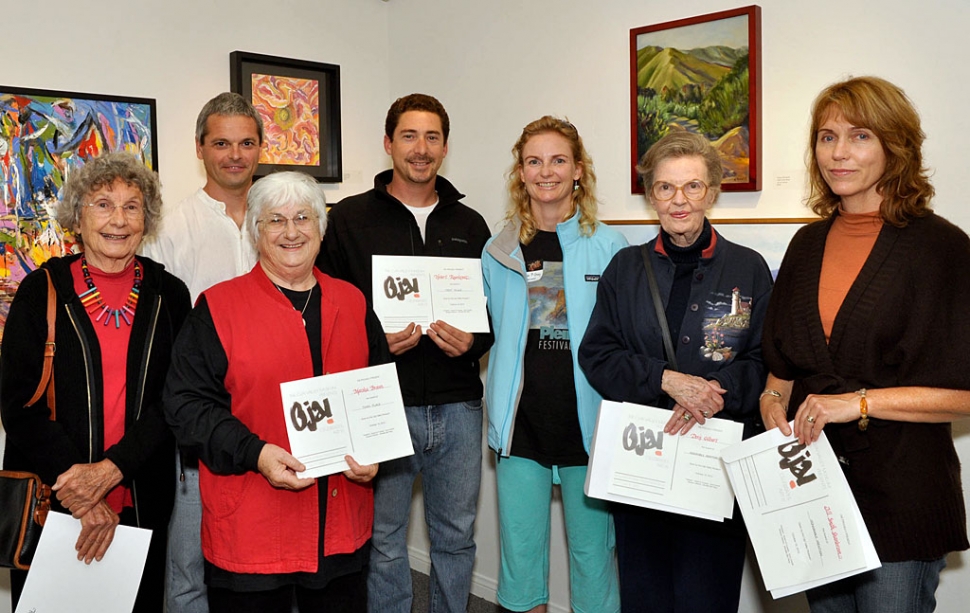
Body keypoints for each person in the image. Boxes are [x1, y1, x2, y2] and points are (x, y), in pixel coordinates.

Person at [759, 76, 970, 613]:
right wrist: (769, 401)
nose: (839, 153)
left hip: (902, 496)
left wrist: (857, 404)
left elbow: (966, 394)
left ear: (895, 146)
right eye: (826, 137)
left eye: (859, 136)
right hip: (815, 494)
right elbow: (782, 369)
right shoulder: (806, 245)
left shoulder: (942, 248)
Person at [163, 171, 389, 613]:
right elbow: (186, 407)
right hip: (252, 528)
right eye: (275, 220)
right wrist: (257, 453)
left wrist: (376, 452)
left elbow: (379, 390)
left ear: (321, 227)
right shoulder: (218, 307)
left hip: (340, 526)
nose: (291, 231)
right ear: (254, 230)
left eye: (304, 217)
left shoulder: (354, 302)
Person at [578, 131, 773, 613]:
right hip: (641, 464)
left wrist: (718, 389)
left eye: (692, 187)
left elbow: (767, 360)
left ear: (711, 192)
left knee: (708, 597)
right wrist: (666, 379)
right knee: (645, 598)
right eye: (665, 188)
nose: (679, 200)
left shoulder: (749, 269)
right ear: (651, 196)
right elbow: (597, 354)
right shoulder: (624, 269)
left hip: (715, 464)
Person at [316, 93, 493, 613]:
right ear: (389, 142)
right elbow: (329, 312)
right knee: (386, 539)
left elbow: (490, 316)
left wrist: (474, 342)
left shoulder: (471, 224)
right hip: (381, 402)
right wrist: (373, 341)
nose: (421, 149)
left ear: (444, 147)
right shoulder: (348, 219)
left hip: (459, 406)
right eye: (410, 136)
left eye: (432, 137)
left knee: (456, 536)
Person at [0, 152, 192, 612]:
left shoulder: (171, 295)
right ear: (77, 216)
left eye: (131, 206)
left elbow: (176, 399)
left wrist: (111, 471)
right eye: (103, 204)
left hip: (140, 496)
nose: (118, 220)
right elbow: (17, 404)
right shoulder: (39, 290)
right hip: (55, 500)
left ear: (146, 220)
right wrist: (82, 492)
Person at [482, 116, 625, 613]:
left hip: (589, 429)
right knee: (520, 567)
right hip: (521, 430)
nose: (547, 172)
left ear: (579, 170)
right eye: (534, 161)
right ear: (520, 173)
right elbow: (485, 330)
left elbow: (626, 342)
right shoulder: (497, 250)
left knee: (594, 562)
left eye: (558, 160)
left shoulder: (611, 248)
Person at [140, 91, 263, 613]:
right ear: (199, 148)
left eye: (246, 143)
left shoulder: (280, 220)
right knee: (188, 569)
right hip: (196, 421)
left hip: (269, 417)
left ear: (260, 147)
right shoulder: (168, 227)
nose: (234, 155)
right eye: (221, 143)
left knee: (263, 564)